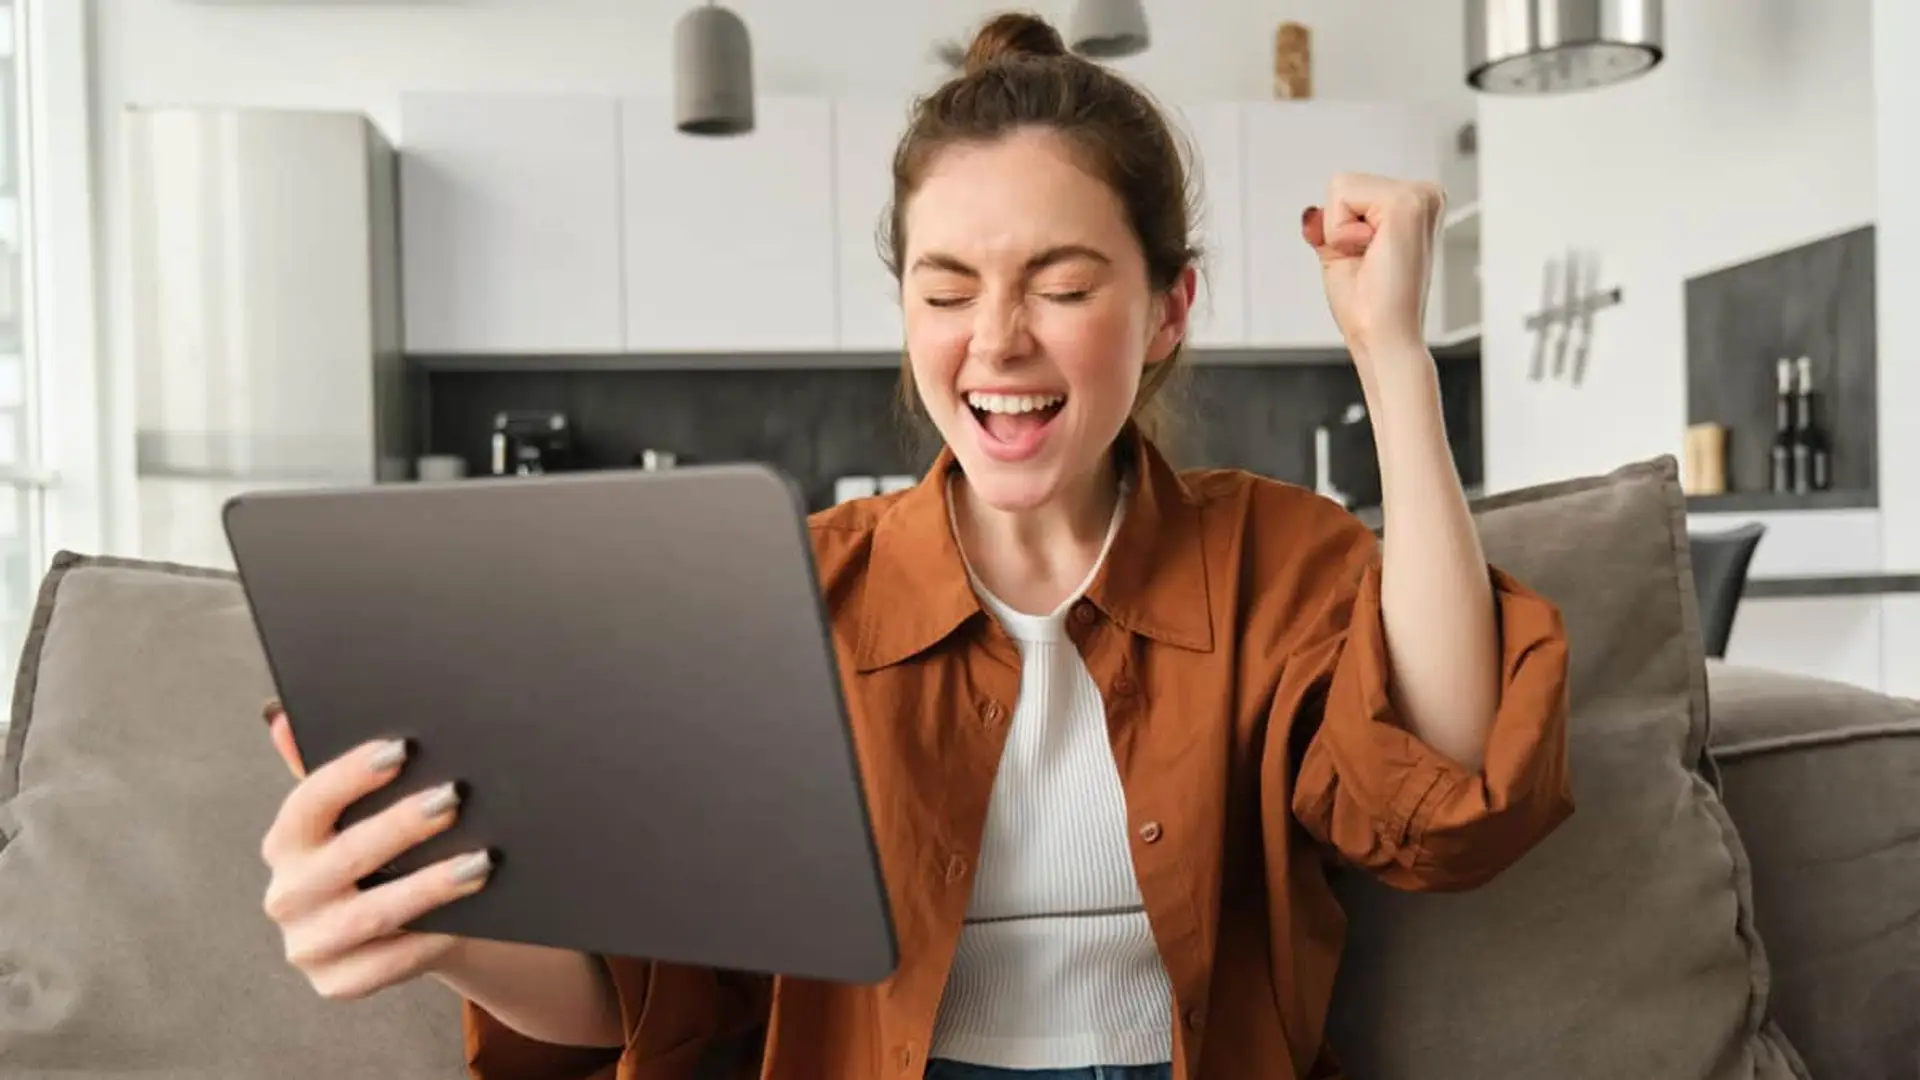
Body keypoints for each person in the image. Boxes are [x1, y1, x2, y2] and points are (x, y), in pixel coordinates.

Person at [256, 11, 1573, 1080]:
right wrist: (434, 927)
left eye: (1061, 287)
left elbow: (1451, 792)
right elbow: (652, 999)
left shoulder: (1282, 557)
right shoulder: (781, 598)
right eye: (947, 289)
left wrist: (1394, 351)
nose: (995, 340)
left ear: (1170, 308)